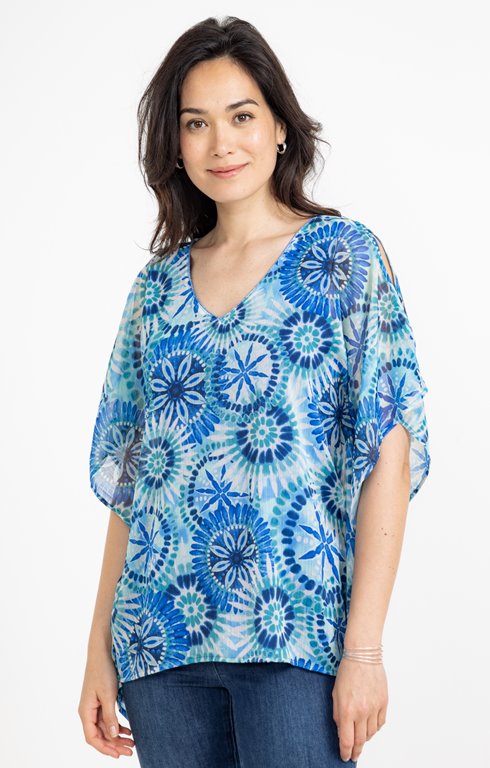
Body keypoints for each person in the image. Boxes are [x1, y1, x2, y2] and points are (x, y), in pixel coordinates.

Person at [78, 15, 431, 768]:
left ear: (280, 128)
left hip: (293, 637)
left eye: (241, 116)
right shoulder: (156, 289)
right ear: (176, 145)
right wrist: (97, 651)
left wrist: (365, 650)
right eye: (195, 123)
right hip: (158, 642)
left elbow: (388, 457)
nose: (220, 143)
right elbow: (134, 487)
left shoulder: (343, 261)